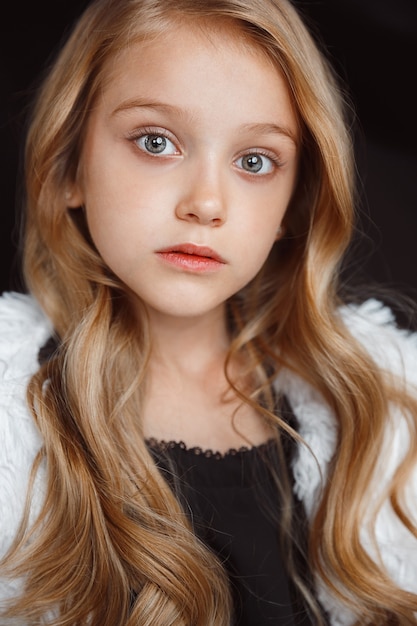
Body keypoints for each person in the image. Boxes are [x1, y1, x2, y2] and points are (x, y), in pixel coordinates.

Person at [0, 0, 416, 623]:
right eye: (156, 142)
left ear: (290, 207)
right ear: (68, 166)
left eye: (255, 161)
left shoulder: (384, 408)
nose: (206, 203)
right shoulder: (12, 414)